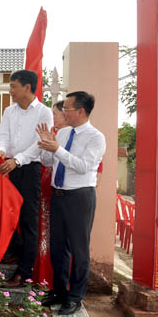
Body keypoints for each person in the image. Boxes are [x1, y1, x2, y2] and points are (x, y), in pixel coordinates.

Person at [37, 91, 105, 315]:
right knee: (58, 248)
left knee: (79, 248)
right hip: (59, 195)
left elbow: (83, 166)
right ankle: (59, 291)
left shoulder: (96, 137)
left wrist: (57, 149)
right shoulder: (64, 133)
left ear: (80, 111)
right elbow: (51, 161)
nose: (63, 112)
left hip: (79, 196)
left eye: (67, 108)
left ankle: (75, 296)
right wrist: (47, 148)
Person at [0, 69, 53, 288]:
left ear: (27, 87)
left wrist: (17, 160)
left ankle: (24, 272)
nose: (10, 90)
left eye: (13, 86)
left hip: (29, 169)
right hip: (8, 167)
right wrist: (1, 150)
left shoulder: (43, 112)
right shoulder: (9, 111)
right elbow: (3, 134)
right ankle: (16, 250)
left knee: (28, 220)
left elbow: (40, 143)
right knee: (7, 214)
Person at [33, 100, 66, 288]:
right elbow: (45, 161)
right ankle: (43, 277)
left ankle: (57, 281)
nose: (53, 117)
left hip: (66, 191)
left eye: (56, 114)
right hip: (46, 186)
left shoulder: (75, 136)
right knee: (44, 232)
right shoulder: (52, 133)